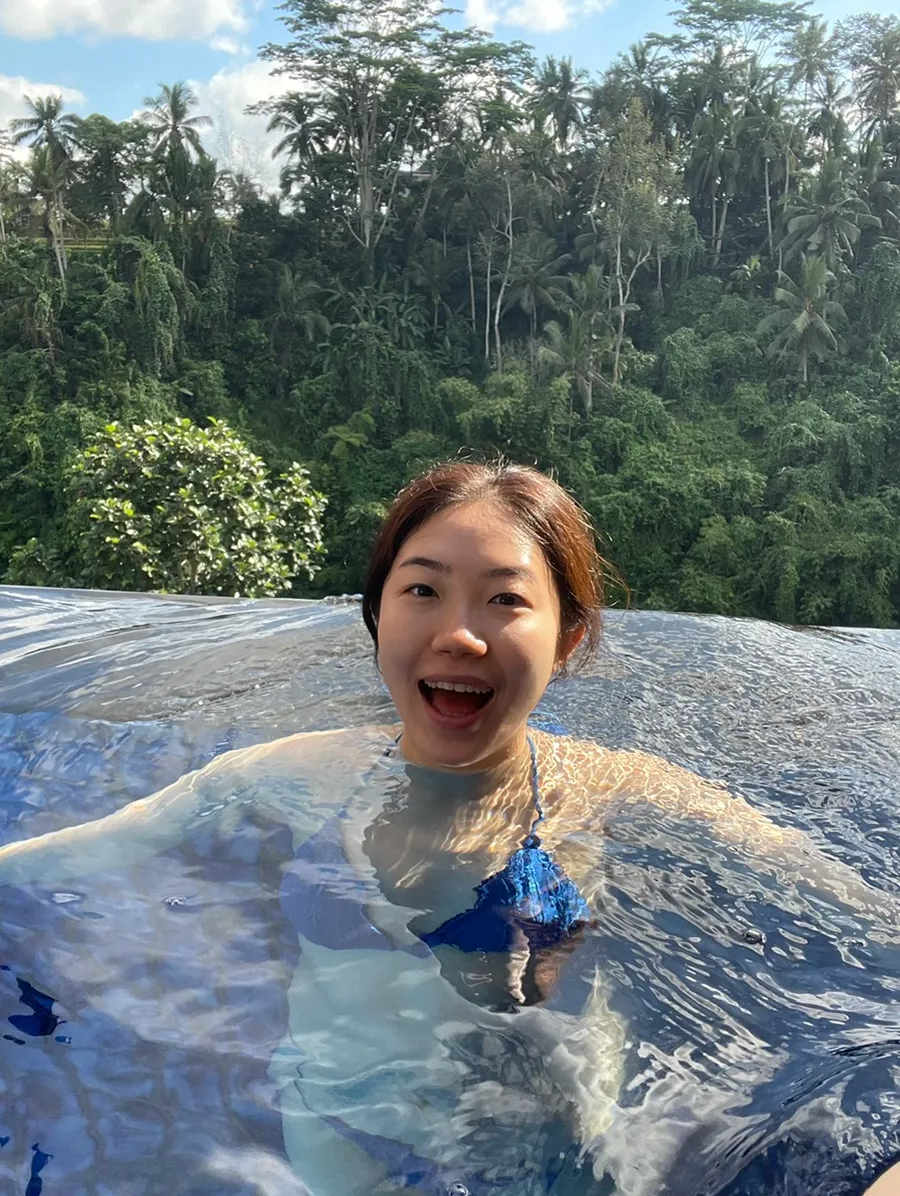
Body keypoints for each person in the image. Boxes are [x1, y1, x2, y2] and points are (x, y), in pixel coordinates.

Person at [0, 460, 896, 1196]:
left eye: (505, 600)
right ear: (378, 615)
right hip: (340, 1118)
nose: (460, 635)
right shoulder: (295, 771)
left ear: (569, 638)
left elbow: (810, 874)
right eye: (423, 589)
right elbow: (101, 844)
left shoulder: (613, 783)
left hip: (555, 1130)